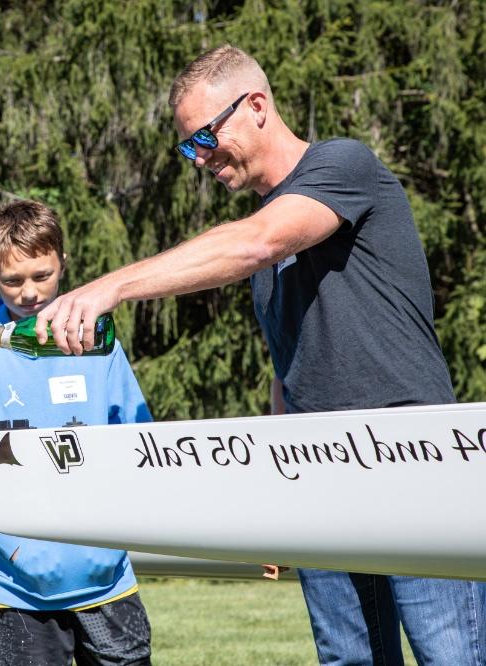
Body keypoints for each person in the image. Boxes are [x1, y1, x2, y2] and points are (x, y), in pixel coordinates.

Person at [35, 44, 486, 665]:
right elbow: (289, 376)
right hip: (322, 474)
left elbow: (257, 243)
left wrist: (110, 287)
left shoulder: (342, 166)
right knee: (349, 660)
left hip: (414, 461)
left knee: (452, 656)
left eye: (203, 138)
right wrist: (277, 497)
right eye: (187, 148)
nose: (199, 159)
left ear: (256, 107)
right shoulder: (265, 261)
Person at [0, 200, 153, 665]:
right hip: (16, 593)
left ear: (63, 265)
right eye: (13, 280)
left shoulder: (99, 345)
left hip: (107, 580)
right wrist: (4, 543)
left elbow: (137, 441)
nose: (29, 292)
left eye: (43, 275)